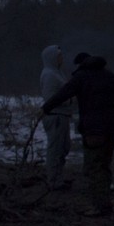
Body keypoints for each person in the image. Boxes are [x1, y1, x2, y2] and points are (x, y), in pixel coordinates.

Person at [42, 52, 114, 217]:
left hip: (93, 130)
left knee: (93, 168)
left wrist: (45, 108)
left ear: (81, 64)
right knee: (104, 166)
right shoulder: (110, 76)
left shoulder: (82, 77)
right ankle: (104, 202)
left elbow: (63, 93)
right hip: (110, 129)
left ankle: (100, 206)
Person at [38, 44, 73, 190]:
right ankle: (53, 181)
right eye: (59, 56)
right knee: (55, 150)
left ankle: (58, 178)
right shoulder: (49, 75)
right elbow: (50, 98)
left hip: (62, 115)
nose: (62, 59)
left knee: (63, 148)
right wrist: (70, 100)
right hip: (55, 117)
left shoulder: (58, 73)